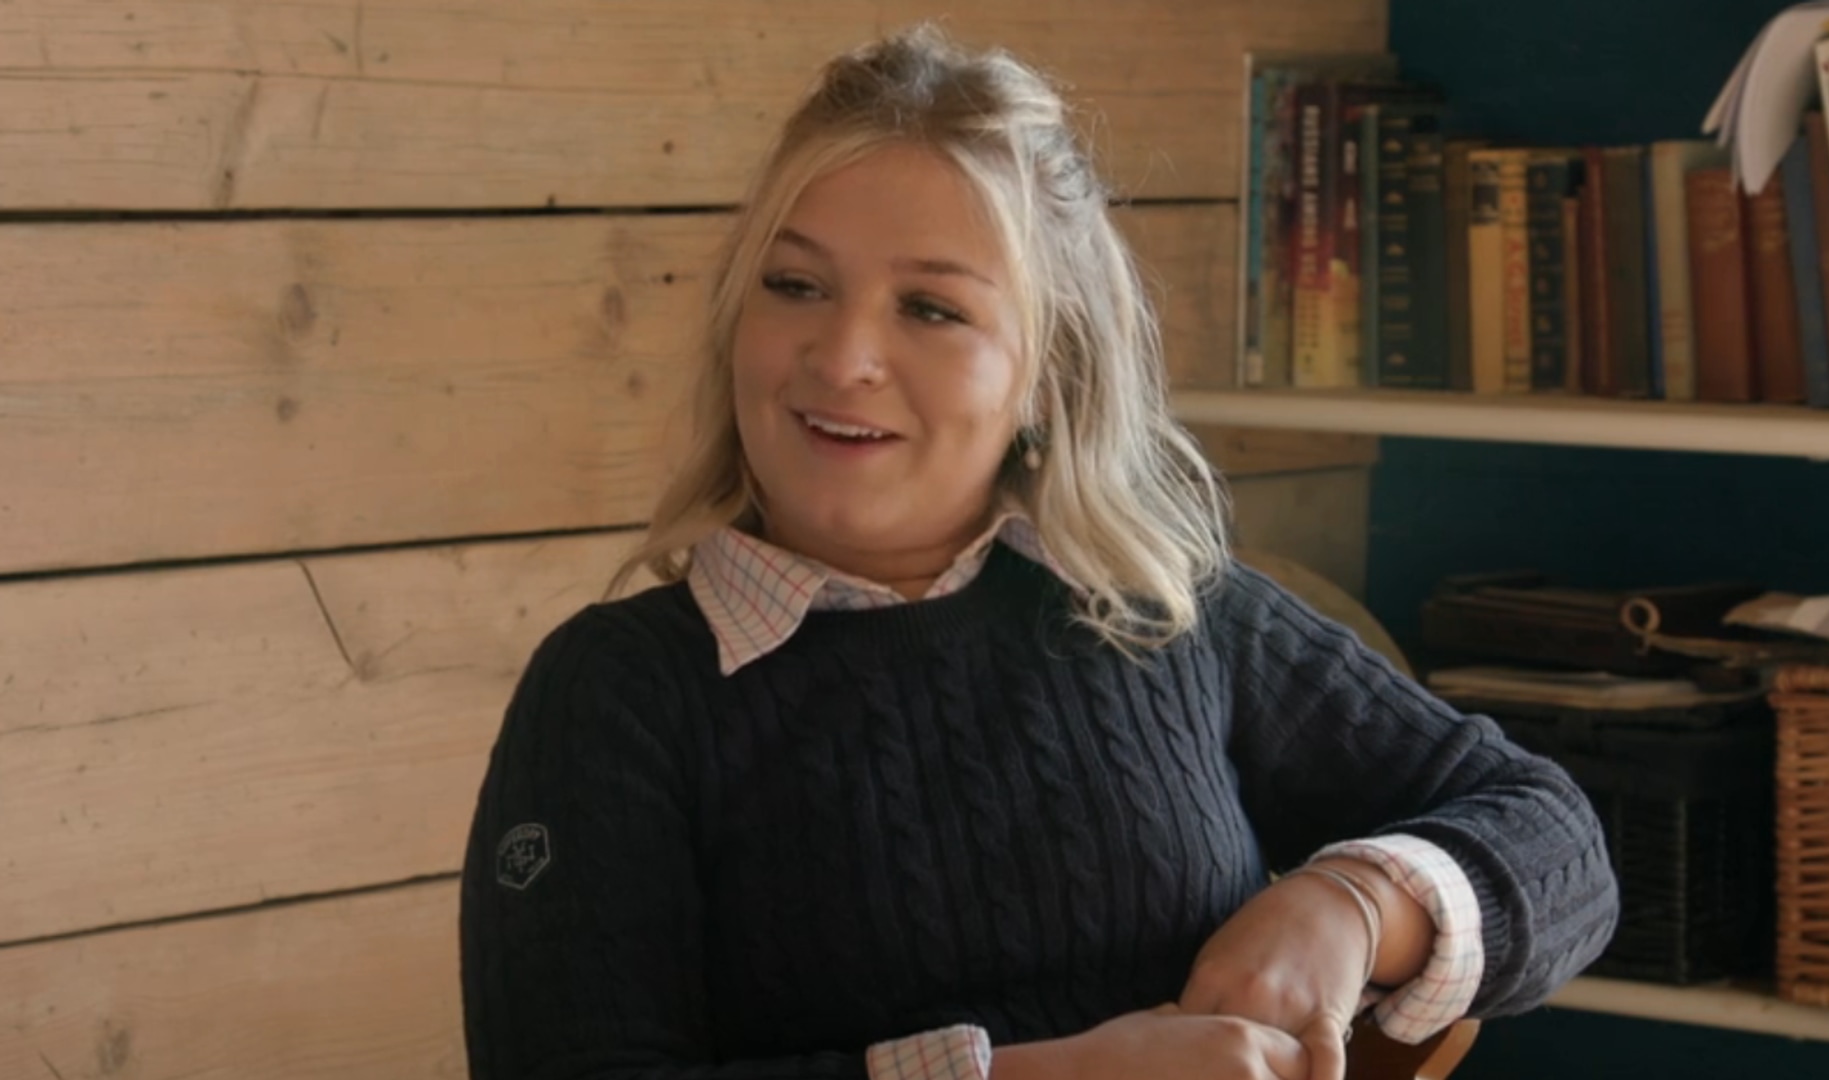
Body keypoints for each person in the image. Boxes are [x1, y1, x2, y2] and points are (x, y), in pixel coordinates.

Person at [458, 23, 1618, 1080]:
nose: (840, 355)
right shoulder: (617, 693)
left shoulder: (1169, 614)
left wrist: (1353, 901)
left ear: (1046, 373)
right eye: (796, 285)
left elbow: (1554, 834)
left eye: (932, 309)